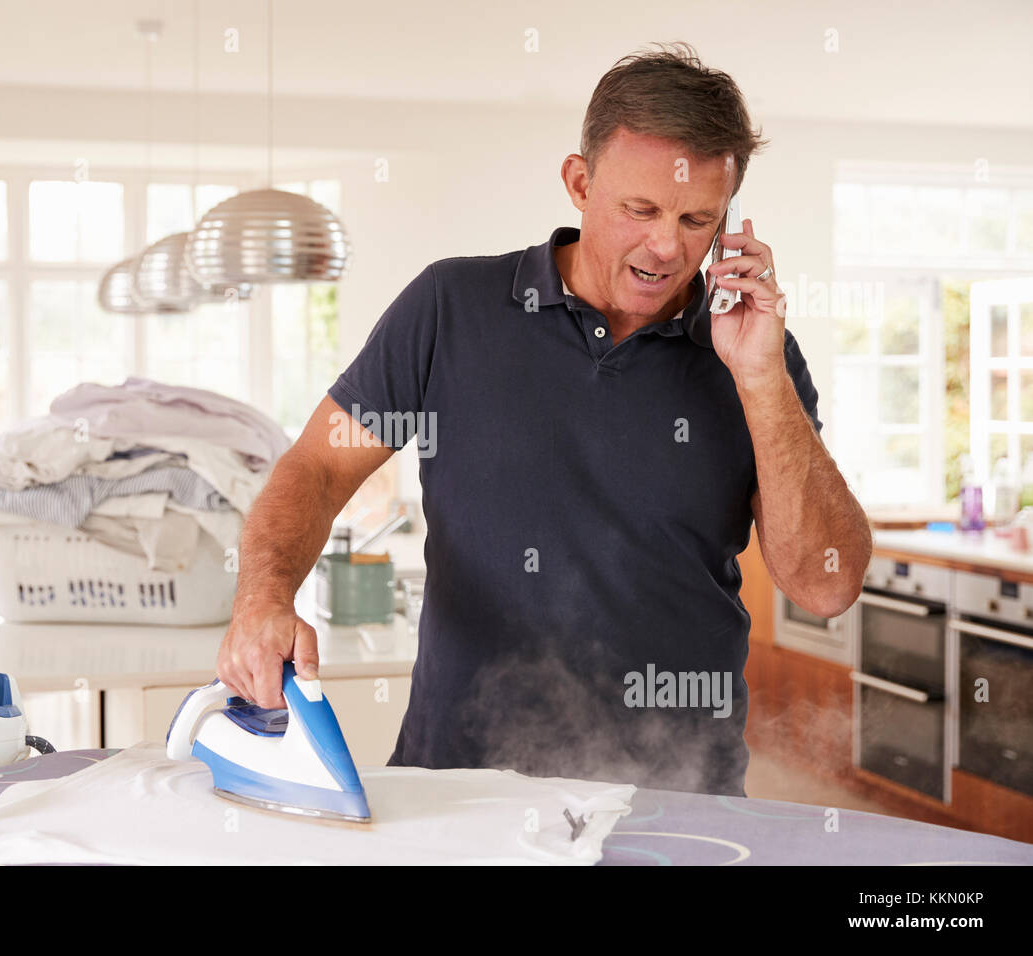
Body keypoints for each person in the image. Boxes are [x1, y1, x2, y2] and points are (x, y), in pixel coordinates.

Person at [215, 42, 872, 796]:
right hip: (459, 789)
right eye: (641, 210)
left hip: (672, 796)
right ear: (579, 181)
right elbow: (319, 466)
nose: (666, 246)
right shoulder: (451, 308)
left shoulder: (757, 356)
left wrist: (760, 378)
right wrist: (264, 598)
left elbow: (825, 586)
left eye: (697, 220)